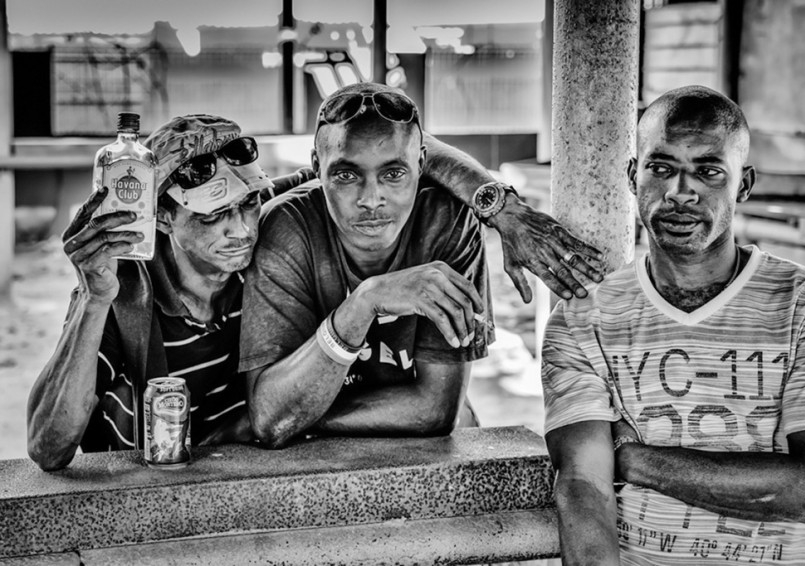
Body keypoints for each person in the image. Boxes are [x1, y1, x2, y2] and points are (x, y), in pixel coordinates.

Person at [27, 99, 602, 471]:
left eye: (247, 204)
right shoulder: (126, 291)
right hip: (155, 500)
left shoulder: (268, 227)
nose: (239, 229)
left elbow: (390, 150)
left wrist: (501, 209)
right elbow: (49, 448)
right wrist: (94, 298)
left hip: (264, 474)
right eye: (212, 215)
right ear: (161, 218)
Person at [542, 85, 805, 565]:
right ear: (633, 176)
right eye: (661, 168)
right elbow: (583, 485)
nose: (679, 193)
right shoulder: (583, 318)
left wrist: (632, 458)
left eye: (708, 171)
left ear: (743, 184)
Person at [241, 82, 495, 445]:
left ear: (421, 164)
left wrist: (300, 414)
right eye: (347, 175)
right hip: (319, 462)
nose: (371, 199)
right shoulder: (288, 227)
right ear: (317, 168)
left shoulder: (447, 220)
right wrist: (364, 303)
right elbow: (271, 416)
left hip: (431, 453)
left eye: (393, 174)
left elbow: (435, 409)